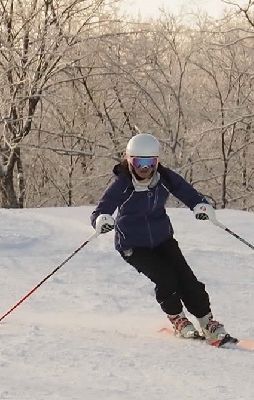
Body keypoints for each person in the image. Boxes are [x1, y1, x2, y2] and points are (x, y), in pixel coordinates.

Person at [90, 132, 228, 342]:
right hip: (133, 245)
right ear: (130, 161)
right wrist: (101, 220)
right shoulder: (122, 183)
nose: (144, 168)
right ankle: (177, 318)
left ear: (156, 161)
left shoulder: (164, 178)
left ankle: (206, 321)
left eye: (149, 162)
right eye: (139, 162)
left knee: (186, 278)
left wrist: (201, 205)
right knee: (166, 278)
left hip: (163, 239)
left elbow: (187, 192)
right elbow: (102, 209)